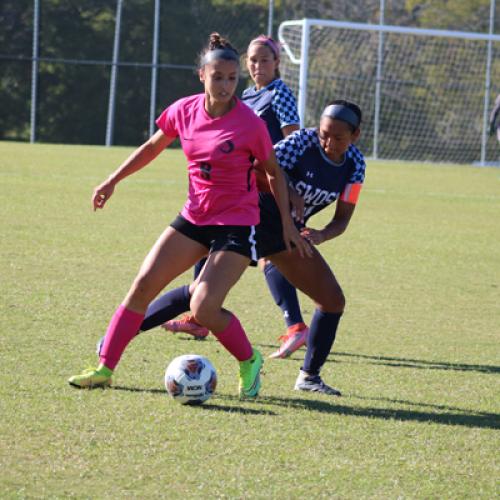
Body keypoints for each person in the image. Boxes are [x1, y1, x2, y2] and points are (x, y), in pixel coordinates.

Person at [68, 33, 310, 398]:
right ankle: (104, 368)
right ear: (202, 76)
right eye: (218, 77)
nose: (226, 85)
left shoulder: (250, 123)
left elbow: (273, 172)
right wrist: (112, 180)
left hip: (236, 225)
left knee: (204, 306)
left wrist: (288, 224)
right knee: (143, 284)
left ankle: (249, 360)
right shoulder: (183, 109)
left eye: (232, 78)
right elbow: (152, 147)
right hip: (195, 218)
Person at [133, 99, 366, 395]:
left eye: (338, 137)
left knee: (333, 300)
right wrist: (291, 192)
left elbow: (342, 219)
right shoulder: (302, 142)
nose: (328, 142)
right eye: (324, 134)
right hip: (250, 217)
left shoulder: (355, 165)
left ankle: (309, 377)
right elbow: (257, 167)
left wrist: (321, 235)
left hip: (286, 233)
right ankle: (127, 331)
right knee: (201, 295)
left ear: (355, 135)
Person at [162, 35, 311, 359]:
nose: (259, 66)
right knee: (211, 241)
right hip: (241, 188)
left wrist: (292, 187)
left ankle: (296, 326)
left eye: (265, 60)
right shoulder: (244, 95)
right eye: (253, 60)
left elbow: (293, 142)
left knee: (273, 256)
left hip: (268, 189)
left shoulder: (279, 94)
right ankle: (201, 315)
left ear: (277, 64)